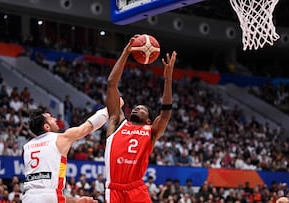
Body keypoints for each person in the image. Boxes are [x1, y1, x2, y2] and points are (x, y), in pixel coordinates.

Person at [104, 35, 177, 203]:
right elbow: (111, 84)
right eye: (137, 107)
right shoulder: (116, 123)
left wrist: (168, 79)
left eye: (143, 109)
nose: (137, 107)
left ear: (149, 121)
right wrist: (125, 53)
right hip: (114, 189)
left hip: (136, 189)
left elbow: (165, 114)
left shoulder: (150, 132)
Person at [22, 106, 110, 203]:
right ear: (47, 127)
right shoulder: (60, 138)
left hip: (27, 197)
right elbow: (87, 127)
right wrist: (108, 110)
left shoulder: (27, 147)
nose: (55, 119)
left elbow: (43, 192)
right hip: (50, 196)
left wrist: (76, 201)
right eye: (50, 118)